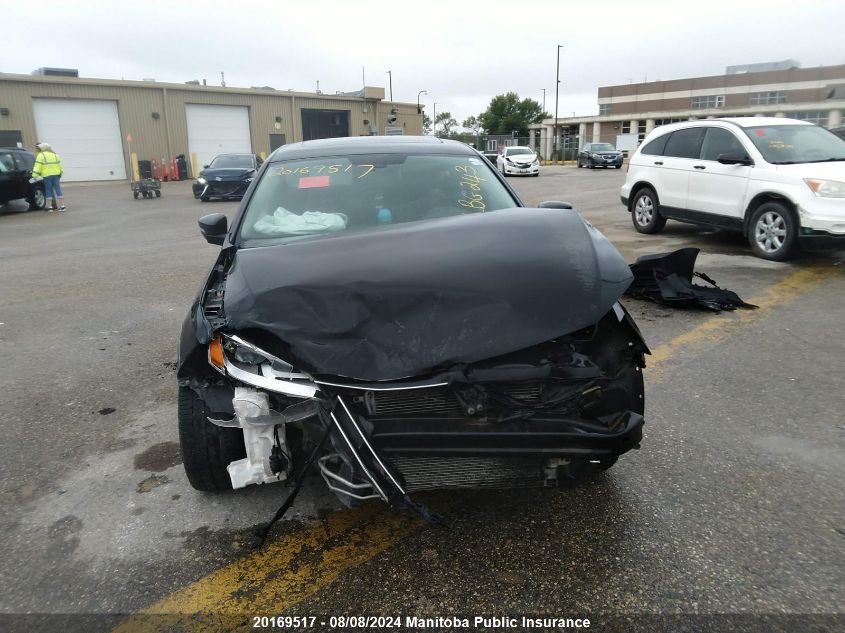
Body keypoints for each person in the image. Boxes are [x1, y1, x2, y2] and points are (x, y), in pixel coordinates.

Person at [33, 142, 66, 212]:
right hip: (56, 175)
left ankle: (50, 207)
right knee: (58, 190)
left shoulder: (41, 155)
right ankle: (63, 206)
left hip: (46, 175)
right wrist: (60, 173)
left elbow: (37, 166)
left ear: (42, 148)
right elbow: (60, 166)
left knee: (48, 190)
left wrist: (34, 175)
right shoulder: (55, 155)